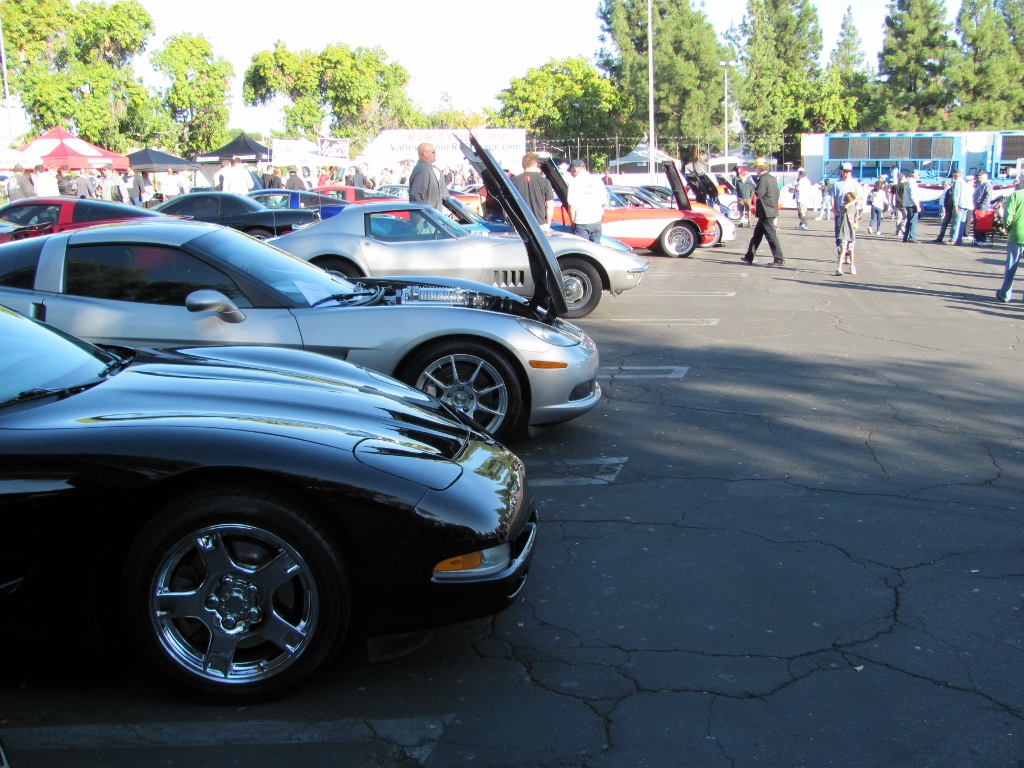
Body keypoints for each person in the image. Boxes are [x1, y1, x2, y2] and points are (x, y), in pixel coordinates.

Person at [742, 157, 784, 266]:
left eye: (756, 167)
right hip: (769, 210)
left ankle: (779, 259)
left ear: (760, 168)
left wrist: (752, 188)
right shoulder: (772, 178)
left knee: (771, 235)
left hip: (766, 211)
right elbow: (776, 193)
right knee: (757, 235)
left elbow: (759, 194)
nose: (755, 170)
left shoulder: (763, 178)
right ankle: (749, 256)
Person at [995, 176, 1024, 302]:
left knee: (1011, 266)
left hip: (1017, 234)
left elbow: (1008, 216)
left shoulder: (1016, 195)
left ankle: (1005, 294)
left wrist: (1006, 227)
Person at [566, 158, 607, 243]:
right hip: (596, 221)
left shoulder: (574, 182)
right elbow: (604, 202)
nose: (571, 173)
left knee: (584, 251)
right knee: (596, 249)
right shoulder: (597, 181)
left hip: (581, 222)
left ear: (575, 169)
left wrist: (573, 223)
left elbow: (571, 206)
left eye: (571, 171)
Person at [512, 152, 555, 229]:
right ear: (536, 164)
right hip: (540, 225)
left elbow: (508, 204)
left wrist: (510, 222)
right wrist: (548, 223)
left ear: (523, 164)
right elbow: (549, 205)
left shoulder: (513, 181)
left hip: (520, 225)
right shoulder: (545, 181)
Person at [832, 162, 861, 255]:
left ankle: (848, 254)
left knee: (850, 234)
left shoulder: (855, 184)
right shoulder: (837, 184)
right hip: (840, 211)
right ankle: (841, 253)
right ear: (842, 171)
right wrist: (834, 210)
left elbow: (859, 198)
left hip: (851, 213)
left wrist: (856, 210)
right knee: (839, 235)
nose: (846, 173)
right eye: (845, 171)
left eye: (848, 171)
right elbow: (833, 197)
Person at [408, 143, 447, 211]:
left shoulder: (427, 168)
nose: (435, 154)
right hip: (426, 219)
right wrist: (425, 216)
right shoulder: (423, 169)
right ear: (425, 153)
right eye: (433, 152)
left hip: (431, 216)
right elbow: (417, 196)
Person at [835, 191, 859, 275]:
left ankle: (852, 266)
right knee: (843, 250)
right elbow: (844, 207)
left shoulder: (854, 208)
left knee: (851, 250)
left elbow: (856, 218)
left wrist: (856, 223)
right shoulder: (843, 207)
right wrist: (853, 201)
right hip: (844, 232)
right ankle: (839, 268)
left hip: (851, 232)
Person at [949, 169, 972, 245]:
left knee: (956, 222)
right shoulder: (964, 182)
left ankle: (953, 239)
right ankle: (959, 240)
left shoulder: (957, 182)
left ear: (955, 175)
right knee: (962, 223)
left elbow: (956, 194)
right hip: (965, 205)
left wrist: (955, 205)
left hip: (959, 205)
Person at [973, 169, 993, 245]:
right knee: (976, 223)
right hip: (977, 206)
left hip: (982, 206)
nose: (979, 177)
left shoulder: (987, 183)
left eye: (980, 176)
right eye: (978, 176)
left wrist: (983, 203)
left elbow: (988, 195)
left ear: (985, 176)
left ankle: (982, 240)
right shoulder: (979, 184)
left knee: (981, 223)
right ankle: (977, 239)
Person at [902, 169, 922, 242]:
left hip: (907, 204)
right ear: (915, 175)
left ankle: (905, 237)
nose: (919, 176)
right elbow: (913, 195)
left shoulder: (907, 182)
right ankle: (911, 237)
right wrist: (917, 205)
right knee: (913, 222)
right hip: (912, 204)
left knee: (908, 221)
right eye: (918, 175)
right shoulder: (913, 183)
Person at [891, 173, 907, 238]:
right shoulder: (905, 186)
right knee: (907, 217)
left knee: (899, 218)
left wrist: (892, 203)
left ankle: (898, 231)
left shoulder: (895, 186)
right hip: (904, 204)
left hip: (897, 204)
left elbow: (892, 195)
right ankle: (902, 227)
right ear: (903, 178)